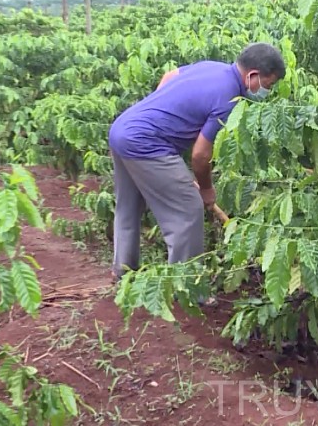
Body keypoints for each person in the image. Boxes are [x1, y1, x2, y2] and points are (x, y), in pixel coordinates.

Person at [106, 42, 285, 293]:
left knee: (128, 206)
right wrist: (206, 189)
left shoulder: (213, 67)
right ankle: (187, 290)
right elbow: (201, 155)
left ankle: (122, 274)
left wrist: (163, 114)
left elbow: (170, 75)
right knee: (188, 208)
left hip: (122, 129)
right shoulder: (230, 99)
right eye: (269, 84)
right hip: (146, 143)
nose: (268, 91)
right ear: (253, 76)